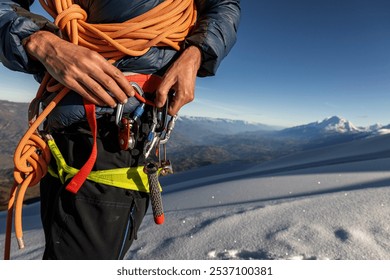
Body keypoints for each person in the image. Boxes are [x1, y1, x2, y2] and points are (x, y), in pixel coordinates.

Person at [0, 0, 240, 259]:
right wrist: (39, 42)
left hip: (124, 138)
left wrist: (197, 53)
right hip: (71, 138)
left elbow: (224, 6)